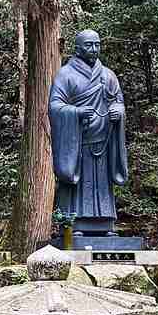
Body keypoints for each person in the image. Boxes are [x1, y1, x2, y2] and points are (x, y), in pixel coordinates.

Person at [48, 29, 128, 230]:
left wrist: (118, 111)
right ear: (77, 49)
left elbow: (118, 102)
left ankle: (106, 223)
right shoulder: (65, 75)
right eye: (89, 45)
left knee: (102, 185)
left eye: (97, 44)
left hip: (104, 141)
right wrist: (76, 112)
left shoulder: (108, 76)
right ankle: (72, 225)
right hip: (77, 145)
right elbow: (55, 106)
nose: (94, 49)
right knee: (77, 186)